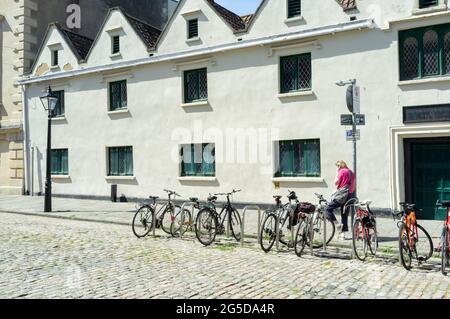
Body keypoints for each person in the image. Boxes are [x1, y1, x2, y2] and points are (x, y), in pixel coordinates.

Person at [325, 160, 356, 240]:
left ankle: (337, 224)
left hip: (342, 196)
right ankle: (343, 235)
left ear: (339, 166)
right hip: (350, 195)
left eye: (337, 166)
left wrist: (337, 173)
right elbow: (353, 184)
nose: (337, 168)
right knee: (344, 214)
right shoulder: (351, 172)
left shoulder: (341, 171)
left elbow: (335, 182)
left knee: (327, 209)